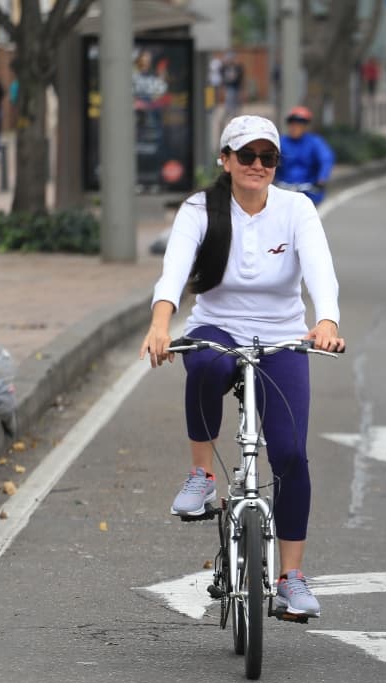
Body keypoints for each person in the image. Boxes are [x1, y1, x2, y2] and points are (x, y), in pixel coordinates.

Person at [139, 115, 344, 620]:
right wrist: (160, 325)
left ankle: (291, 577)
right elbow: (173, 273)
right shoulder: (199, 209)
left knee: (292, 454)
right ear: (225, 161)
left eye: (267, 157)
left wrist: (326, 321)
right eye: (246, 156)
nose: (257, 166)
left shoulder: (297, 209)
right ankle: (201, 476)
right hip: (219, 327)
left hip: (282, 336)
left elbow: (320, 269)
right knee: (204, 364)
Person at [276, 105, 335, 206]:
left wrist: (321, 180)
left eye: (298, 124)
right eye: (292, 123)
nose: (294, 127)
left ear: (305, 126)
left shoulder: (315, 142)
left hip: (308, 190)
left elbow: (326, 159)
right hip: (284, 189)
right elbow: (270, 158)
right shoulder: (281, 142)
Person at [221, 53, 244, 118]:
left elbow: (241, 77)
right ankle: (229, 114)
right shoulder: (225, 67)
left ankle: (235, 114)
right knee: (230, 101)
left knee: (237, 103)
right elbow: (223, 75)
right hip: (230, 87)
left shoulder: (238, 67)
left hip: (236, 87)